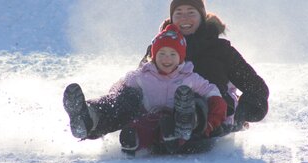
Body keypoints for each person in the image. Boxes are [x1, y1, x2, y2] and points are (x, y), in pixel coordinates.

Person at [63, 24, 227, 155]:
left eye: (172, 54)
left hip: (179, 120)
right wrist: (115, 98)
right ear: (154, 55)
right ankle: (88, 117)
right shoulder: (142, 74)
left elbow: (212, 92)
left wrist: (214, 118)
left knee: (193, 103)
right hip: (150, 119)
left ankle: (187, 122)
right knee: (123, 105)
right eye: (161, 53)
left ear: (181, 57)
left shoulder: (189, 77)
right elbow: (119, 88)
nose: (167, 59)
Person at [142, 0, 269, 134]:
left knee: (197, 101)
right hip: (160, 113)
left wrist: (241, 113)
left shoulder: (220, 50)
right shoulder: (158, 50)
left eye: (191, 13)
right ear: (172, 19)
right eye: (178, 13)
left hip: (211, 119)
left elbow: (256, 87)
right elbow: (139, 79)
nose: (184, 18)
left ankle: (193, 122)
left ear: (201, 16)